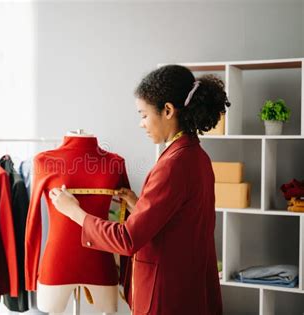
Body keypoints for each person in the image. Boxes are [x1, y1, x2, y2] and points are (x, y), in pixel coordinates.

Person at [49, 64, 230, 315]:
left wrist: (74, 212)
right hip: (190, 288)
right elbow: (181, 221)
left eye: (143, 115)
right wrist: (139, 204)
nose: (141, 124)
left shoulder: (172, 165)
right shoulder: (196, 157)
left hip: (167, 297)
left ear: (167, 110)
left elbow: (126, 239)